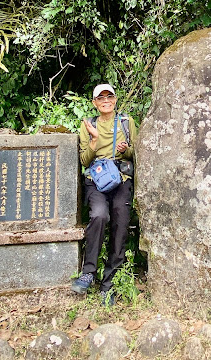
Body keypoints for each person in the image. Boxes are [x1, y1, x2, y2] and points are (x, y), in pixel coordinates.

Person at [71, 83, 137, 306]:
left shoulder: (127, 122)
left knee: (120, 219)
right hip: (96, 179)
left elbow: (135, 152)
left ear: (115, 99)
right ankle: (88, 272)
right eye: (101, 97)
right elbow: (83, 160)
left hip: (121, 179)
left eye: (109, 96)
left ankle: (109, 282)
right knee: (99, 216)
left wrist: (125, 149)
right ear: (94, 103)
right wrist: (93, 141)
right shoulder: (88, 124)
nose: (106, 100)